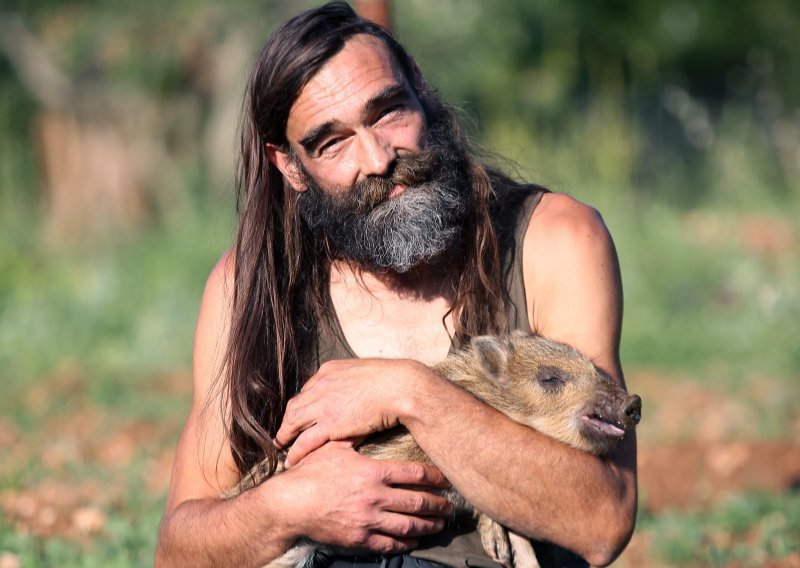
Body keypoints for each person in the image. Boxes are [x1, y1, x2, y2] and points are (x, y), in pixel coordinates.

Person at [155, 3, 637, 567]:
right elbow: (178, 553)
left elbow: (602, 521)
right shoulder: (247, 286)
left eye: (387, 113)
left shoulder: (554, 239)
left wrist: (407, 393)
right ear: (289, 167)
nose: (378, 159)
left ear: (422, 93)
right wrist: (289, 505)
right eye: (331, 143)